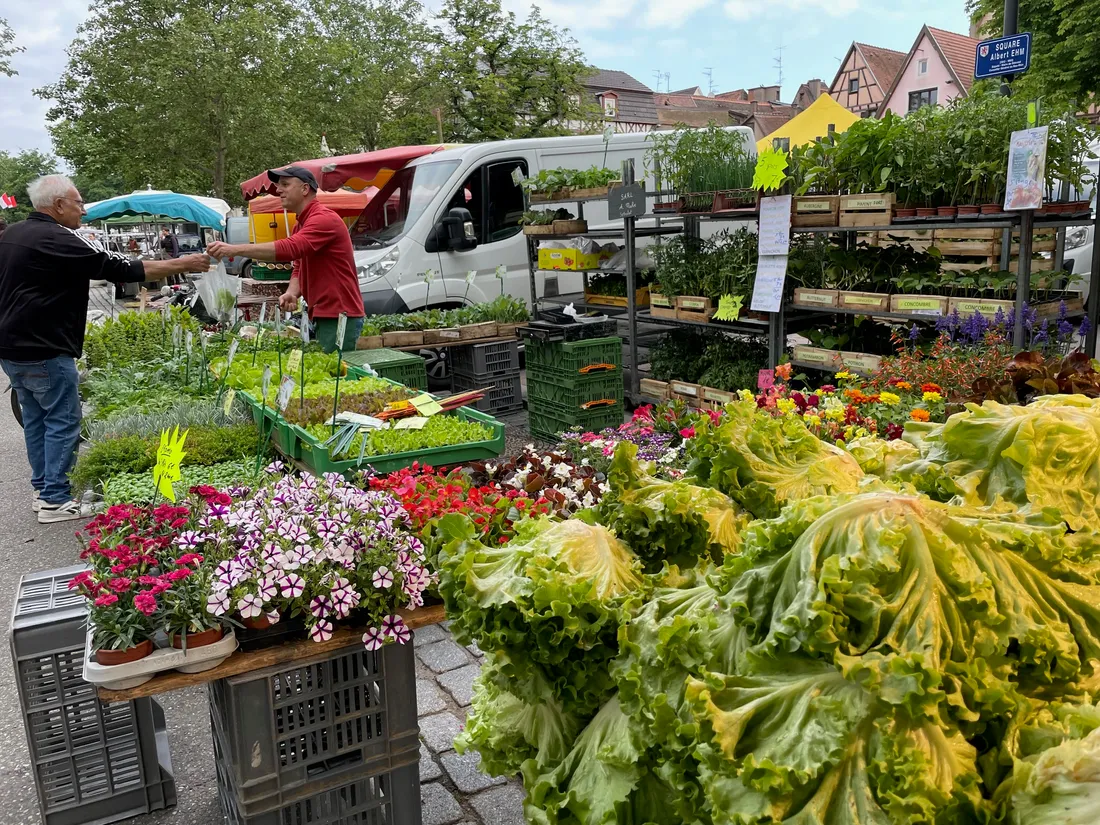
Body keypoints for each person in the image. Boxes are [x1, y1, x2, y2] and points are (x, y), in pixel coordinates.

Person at [0, 175, 209, 523]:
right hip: (44, 346)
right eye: (78, 202)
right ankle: (55, 500)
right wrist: (184, 263)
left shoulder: (15, 235)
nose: (83, 209)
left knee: (37, 419)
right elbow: (121, 268)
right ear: (59, 205)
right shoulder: (57, 238)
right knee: (64, 420)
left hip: (12, 347)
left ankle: (44, 489)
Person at [206, 166, 365, 352]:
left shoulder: (323, 219)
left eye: (285, 184)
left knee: (338, 376)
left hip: (339, 314)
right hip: (324, 313)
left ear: (305, 189)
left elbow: (291, 248)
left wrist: (234, 249)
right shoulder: (302, 223)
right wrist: (292, 292)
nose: (278, 190)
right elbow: (299, 265)